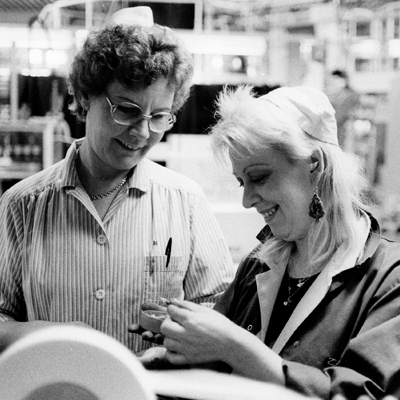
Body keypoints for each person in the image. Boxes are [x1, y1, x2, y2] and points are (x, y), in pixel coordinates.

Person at [134, 85, 400, 399]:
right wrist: (175, 351)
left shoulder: (387, 279)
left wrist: (236, 347)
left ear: (314, 164)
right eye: (241, 182)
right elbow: (220, 368)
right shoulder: (260, 263)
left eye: (259, 177)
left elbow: (362, 393)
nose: (247, 200)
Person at [0, 6, 234, 355]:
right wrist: (53, 336)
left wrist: (182, 342)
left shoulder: (184, 201)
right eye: (126, 110)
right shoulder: (23, 206)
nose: (142, 132)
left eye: (159, 116)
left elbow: (219, 312)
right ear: (84, 97)